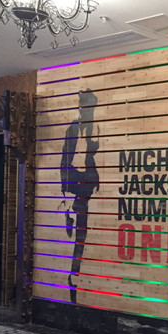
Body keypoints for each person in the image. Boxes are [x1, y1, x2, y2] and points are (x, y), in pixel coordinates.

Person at [59, 89, 100, 304]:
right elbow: (65, 162)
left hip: (90, 190)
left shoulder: (96, 128)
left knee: (85, 234)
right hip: (76, 189)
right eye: (86, 106)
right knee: (76, 235)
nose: (88, 111)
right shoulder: (73, 129)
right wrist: (69, 193)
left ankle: (77, 276)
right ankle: (72, 277)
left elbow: (94, 158)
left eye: (91, 107)